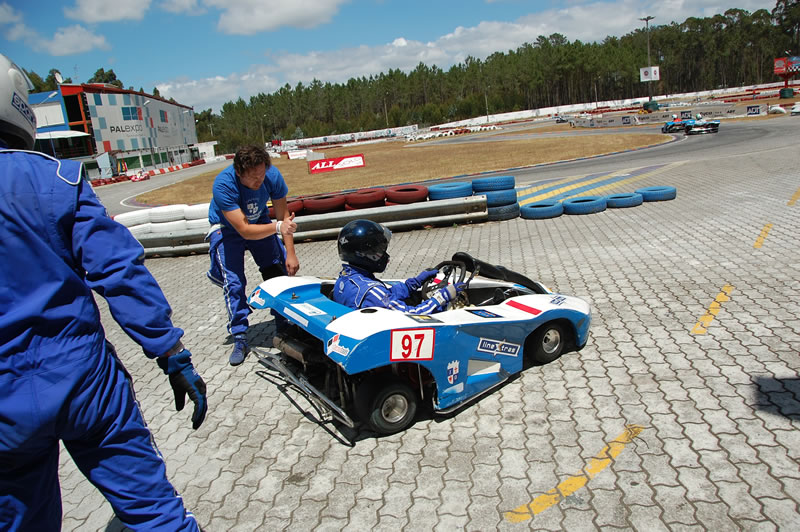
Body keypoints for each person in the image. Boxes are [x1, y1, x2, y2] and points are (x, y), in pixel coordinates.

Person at [0, 53, 207, 531]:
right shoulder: (56, 180)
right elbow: (120, 272)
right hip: (84, 381)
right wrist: (171, 352)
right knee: (154, 511)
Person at [206, 144, 299, 365]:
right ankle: (239, 336)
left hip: (260, 222)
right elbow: (244, 229)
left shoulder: (271, 175)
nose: (259, 182)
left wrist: (291, 253)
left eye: (262, 174)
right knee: (235, 282)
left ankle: (283, 323)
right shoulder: (224, 184)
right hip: (228, 228)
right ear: (239, 173)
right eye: (253, 178)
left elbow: (283, 216)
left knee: (276, 273)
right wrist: (277, 228)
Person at [333, 219, 464, 314]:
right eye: (378, 250)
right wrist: (442, 297)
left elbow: (387, 296)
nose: (384, 255)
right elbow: (412, 315)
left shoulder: (346, 278)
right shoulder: (371, 291)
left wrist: (413, 283)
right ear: (362, 253)